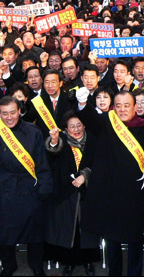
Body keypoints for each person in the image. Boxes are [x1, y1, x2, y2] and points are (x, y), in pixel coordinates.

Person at [77, 89, 144, 276]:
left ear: (135, 107)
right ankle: (114, 272)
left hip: (135, 192)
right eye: (119, 106)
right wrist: (83, 103)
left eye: (127, 105)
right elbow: (91, 120)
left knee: (134, 238)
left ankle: (134, 272)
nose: (122, 110)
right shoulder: (107, 122)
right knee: (111, 237)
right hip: (110, 192)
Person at [0, 96, 53, 276]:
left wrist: (44, 185)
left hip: (27, 186)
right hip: (2, 185)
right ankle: (8, 265)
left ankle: (36, 265)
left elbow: (41, 161)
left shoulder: (33, 131)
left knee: (34, 230)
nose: (9, 117)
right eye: (4, 113)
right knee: (4, 229)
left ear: (20, 111)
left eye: (13, 112)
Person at [44, 111, 100, 276]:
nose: (76, 129)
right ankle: (68, 263)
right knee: (68, 229)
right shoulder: (60, 141)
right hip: (64, 192)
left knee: (87, 230)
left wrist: (85, 175)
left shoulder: (93, 140)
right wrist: (53, 142)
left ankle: (88, 262)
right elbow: (51, 157)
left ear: (84, 125)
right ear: (66, 128)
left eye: (79, 125)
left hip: (87, 192)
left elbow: (100, 163)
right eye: (71, 126)